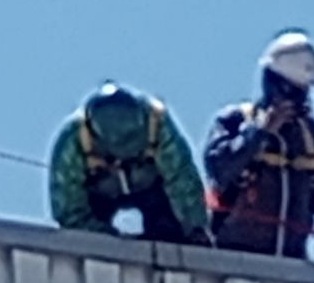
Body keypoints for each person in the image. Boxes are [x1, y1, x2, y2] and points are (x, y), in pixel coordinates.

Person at [204, 31, 314, 257]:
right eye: (289, 91)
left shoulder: (308, 134)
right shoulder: (236, 120)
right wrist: (260, 132)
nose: (295, 101)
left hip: (291, 263)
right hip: (234, 258)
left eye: (301, 93)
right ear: (272, 83)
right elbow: (220, 169)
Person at [49, 83, 210, 245]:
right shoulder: (72, 140)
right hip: (98, 197)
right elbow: (70, 209)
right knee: (87, 241)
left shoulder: (158, 123)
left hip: (153, 192)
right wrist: (107, 241)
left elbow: (182, 180)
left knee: (172, 233)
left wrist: (195, 228)